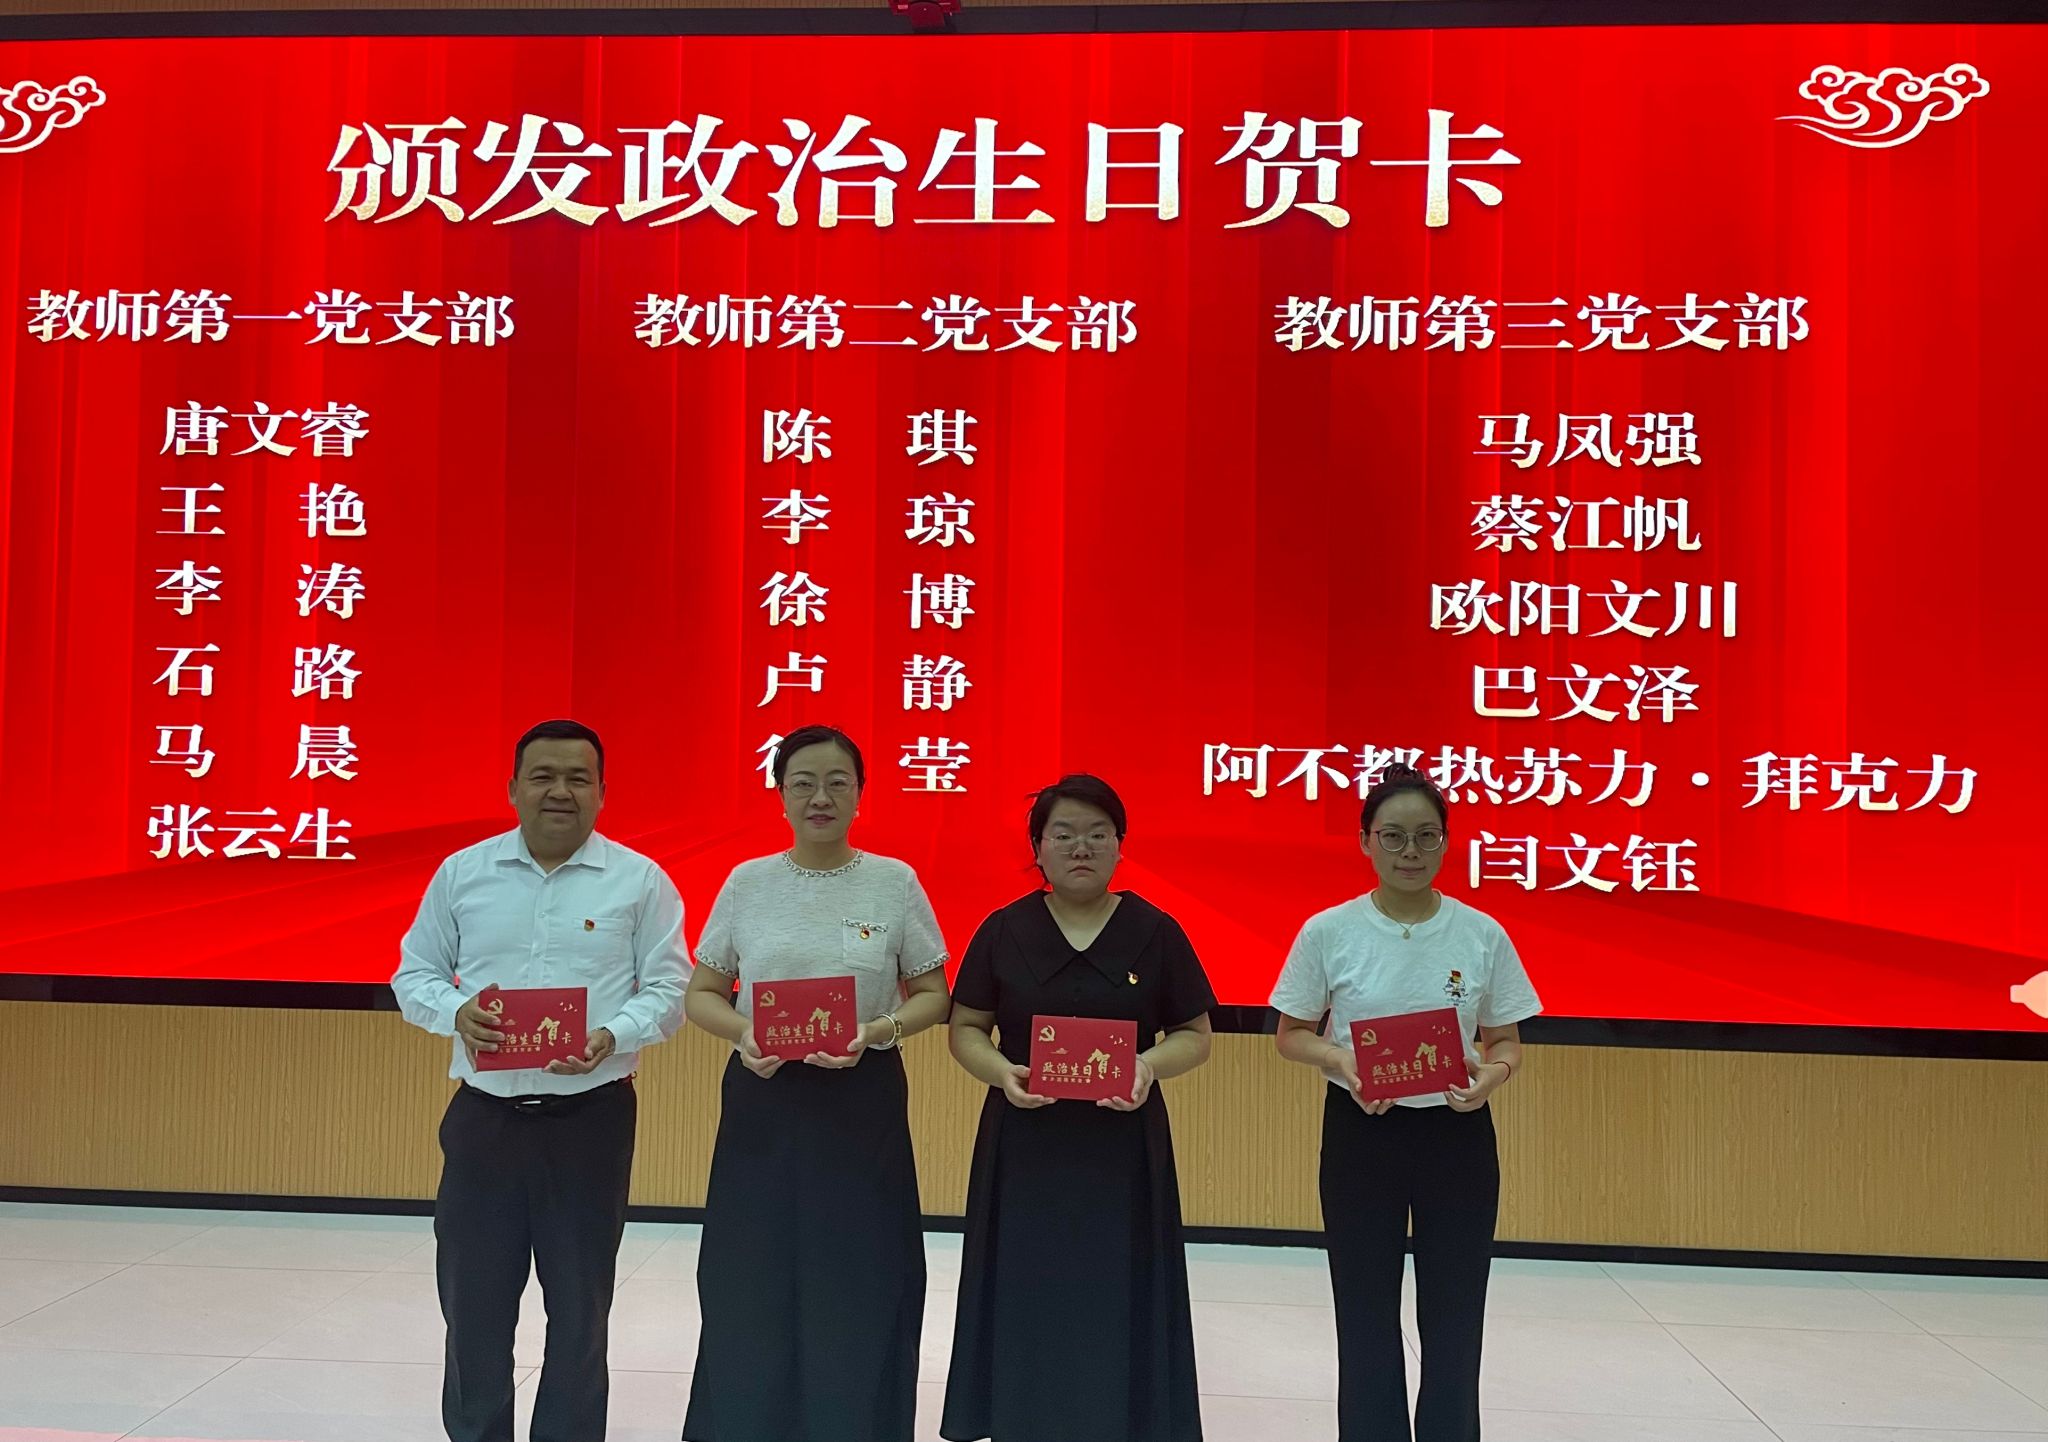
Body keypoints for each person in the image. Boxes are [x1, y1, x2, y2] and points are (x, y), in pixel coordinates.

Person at [392, 718, 688, 1442]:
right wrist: (457, 1012)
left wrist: (612, 1035)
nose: (560, 791)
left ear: (602, 792)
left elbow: (671, 989)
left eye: (578, 778)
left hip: (589, 1122)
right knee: (473, 1307)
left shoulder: (639, 880)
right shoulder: (463, 873)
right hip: (485, 1120)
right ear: (514, 788)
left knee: (580, 1312)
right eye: (543, 776)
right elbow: (414, 975)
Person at [681, 724, 951, 1442]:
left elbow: (933, 996)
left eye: (838, 783)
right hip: (764, 1095)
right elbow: (703, 993)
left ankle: (855, 1420)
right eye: (802, 783)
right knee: (752, 1273)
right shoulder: (747, 883)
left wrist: (878, 1030)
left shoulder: (894, 881)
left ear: (860, 795)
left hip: (862, 1098)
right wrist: (744, 1032)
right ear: (780, 795)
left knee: (860, 1272)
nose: (820, 797)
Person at [1270, 764, 1542, 1442]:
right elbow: (1291, 1034)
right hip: (1362, 1135)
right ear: (1366, 842)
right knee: (1363, 1312)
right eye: (1393, 836)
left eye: (1426, 836)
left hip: (1457, 1136)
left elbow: (1506, 1042)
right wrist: (1341, 1060)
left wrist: (1491, 1077)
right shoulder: (1329, 931)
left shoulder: (1480, 933)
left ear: (1446, 842)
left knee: (1455, 1315)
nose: (1410, 851)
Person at [942, 774, 1215, 1442]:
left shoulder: (1155, 930)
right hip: (1025, 1140)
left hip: (1123, 1145)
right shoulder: (1003, 929)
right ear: (1038, 847)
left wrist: (1149, 1066)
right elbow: (966, 1028)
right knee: (1025, 1283)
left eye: (1097, 833)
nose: (1081, 847)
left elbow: (1194, 1035)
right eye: (1062, 834)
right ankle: (1020, 1416)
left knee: (1119, 1283)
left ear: (1120, 844)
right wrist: (1001, 1072)